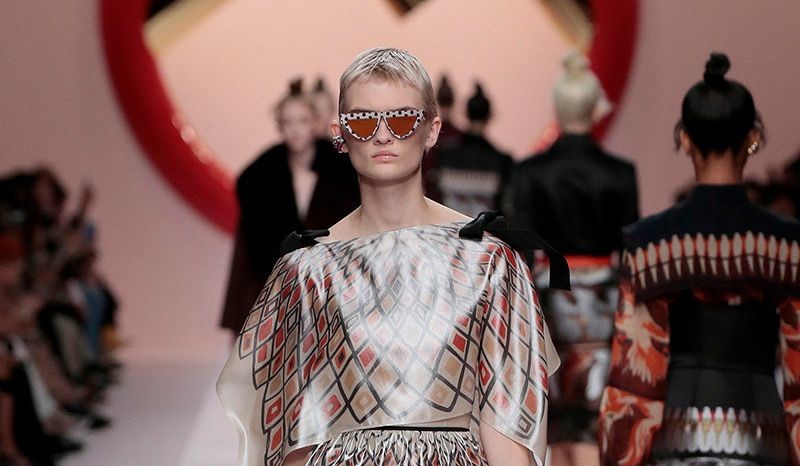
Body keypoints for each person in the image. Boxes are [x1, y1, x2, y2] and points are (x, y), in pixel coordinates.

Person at [217, 47, 562, 466]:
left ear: (432, 130)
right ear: (340, 134)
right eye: (363, 121)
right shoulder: (308, 270)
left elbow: (504, 424)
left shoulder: (488, 262)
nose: (383, 135)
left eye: (402, 119)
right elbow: (294, 437)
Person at [599, 53, 800, 466]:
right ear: (752, 138)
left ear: (685, 140)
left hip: (677, 438)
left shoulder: (650, 244)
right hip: (765, 441)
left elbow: (633, 379)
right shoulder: (787, 246)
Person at [511, 51, 638, 466]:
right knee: (595, 416)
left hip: (549, 302)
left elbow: (521, 249)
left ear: (558, 106)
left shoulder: (529, 171)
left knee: (552, 418)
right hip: (604, 307)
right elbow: (631, 252)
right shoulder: (620, 172)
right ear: (593, 106)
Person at [218, 79, 360, 335]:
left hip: (331, 290)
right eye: (288, 122)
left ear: (315, 122)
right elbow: (253, 255)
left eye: (303, 121)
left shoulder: (343, 172)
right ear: (279, 126)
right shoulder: (259, 179)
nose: (295, 130)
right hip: (274, 291)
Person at [435, 83, 513, 217]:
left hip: (447, 227)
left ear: (466, 114)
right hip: (485, 229)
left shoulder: (445, 154)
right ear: (489, 116)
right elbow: (505, 208)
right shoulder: (501, 161)